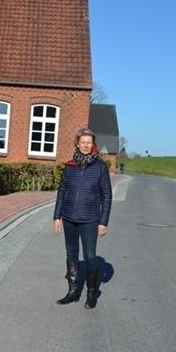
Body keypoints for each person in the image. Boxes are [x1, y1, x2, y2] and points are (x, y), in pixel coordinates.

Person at [53, 128, 112, 309]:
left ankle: (92, 293)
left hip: (90, 219)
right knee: (71, 254)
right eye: (83, 142)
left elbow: (107, 196)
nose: (86, 145)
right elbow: (62, 191)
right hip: (69, 217)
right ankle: (72, 292)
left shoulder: (100, 167)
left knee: (90, 256)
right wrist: (57, 216)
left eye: (89, 142)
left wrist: (103, 222)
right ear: (77, 144)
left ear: (92, 145)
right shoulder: (70, 166)